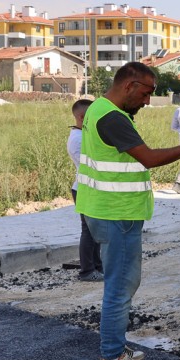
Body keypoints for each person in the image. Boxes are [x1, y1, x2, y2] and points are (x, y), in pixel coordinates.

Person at [76, 61, 180, 360]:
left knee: (120, 283)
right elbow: (148, 158)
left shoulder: (98, 108)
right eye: (146, 93)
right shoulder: (112, 117)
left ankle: (115, 347)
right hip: (118, 213)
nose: (148, 100)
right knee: (120, 287)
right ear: (129, 85)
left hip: (103, 209)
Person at [67, 98, 103, 282]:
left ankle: (98, 267)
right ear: (81, 117)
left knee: (95, 231)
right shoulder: (78, 139)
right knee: (89, 231)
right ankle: (87, 271)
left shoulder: (83, 134)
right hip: (84, 189)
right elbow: (92, 164)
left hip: (88, 187)